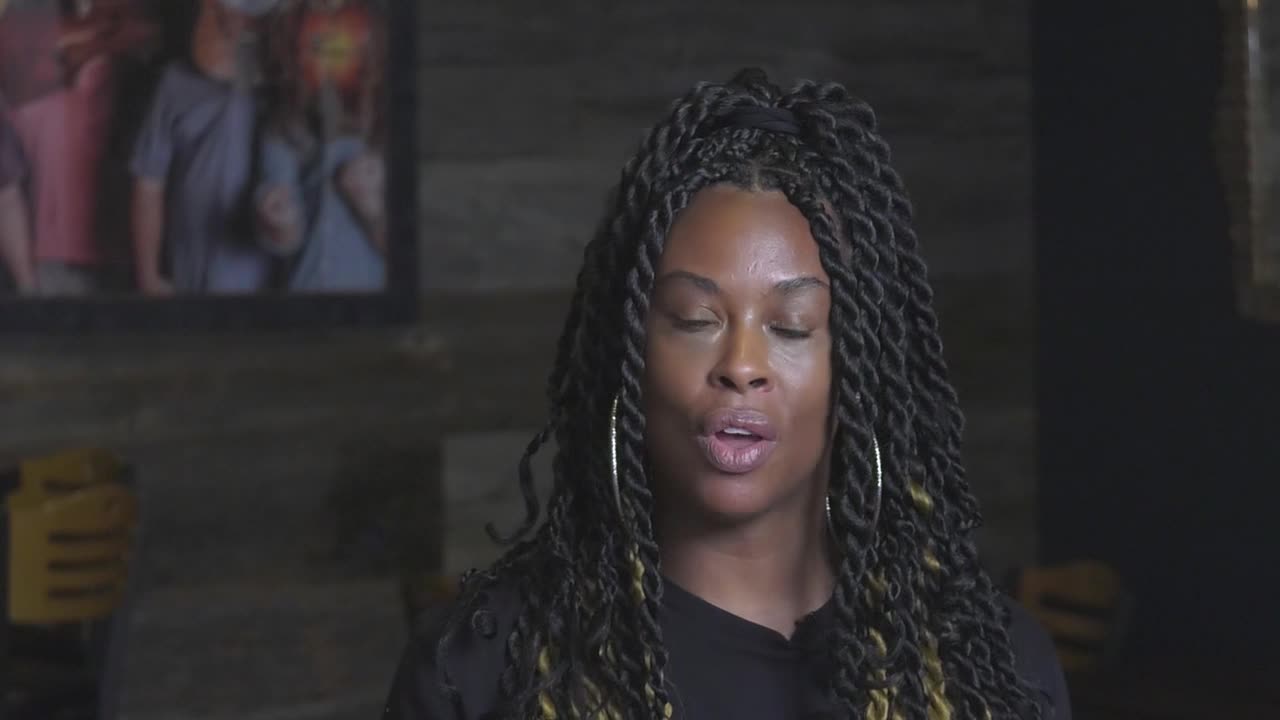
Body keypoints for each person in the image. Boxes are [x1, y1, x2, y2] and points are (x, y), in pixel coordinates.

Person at [383, 69, 1071, 720]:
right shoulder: (481, 670)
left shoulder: (993, 668)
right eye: (694, 319)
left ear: (859, 374)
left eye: (791, 326)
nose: (741, 365)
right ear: (631, 357)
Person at [129, 0, 279, 295]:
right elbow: (148, 183)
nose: (238, 22)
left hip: (262, 286)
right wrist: (149, 277)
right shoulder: (174, 82)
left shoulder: (282, 88)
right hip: (188, 275)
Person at [253, 0, 386, 292]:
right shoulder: (282, 126)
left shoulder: (390, 120)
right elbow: (285, 241)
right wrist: (281, 222)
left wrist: (372, 211)